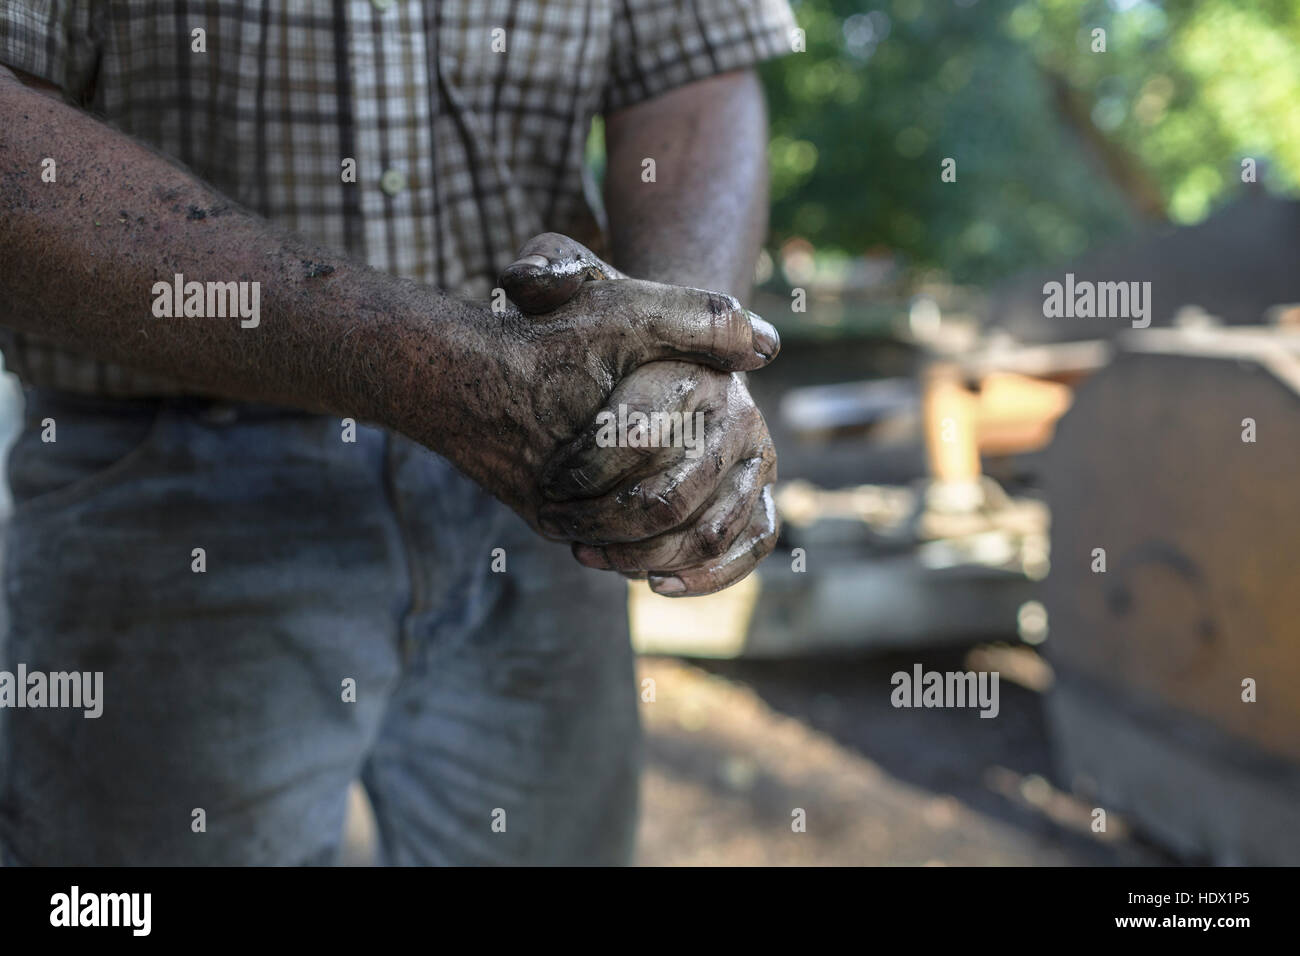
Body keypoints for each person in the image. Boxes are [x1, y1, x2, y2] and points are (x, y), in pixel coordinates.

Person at [0, 0, 794, 865]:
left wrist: (676, 349)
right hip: (162, 481)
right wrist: (438, 370)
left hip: (550, 489)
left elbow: (695, 76)